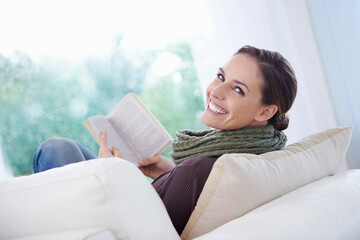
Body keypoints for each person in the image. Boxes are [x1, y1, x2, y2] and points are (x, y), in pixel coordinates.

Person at [33, 45, 297, 235]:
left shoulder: (201, 169)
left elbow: (143, 231)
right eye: (220, 77)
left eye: (237, 89)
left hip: (111, 219)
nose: (215, 91)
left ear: (265, 111)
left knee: (54, 149)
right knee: (65, 148)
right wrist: (169, 173)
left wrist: (112, 171)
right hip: (140, 198)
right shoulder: (255, 153)